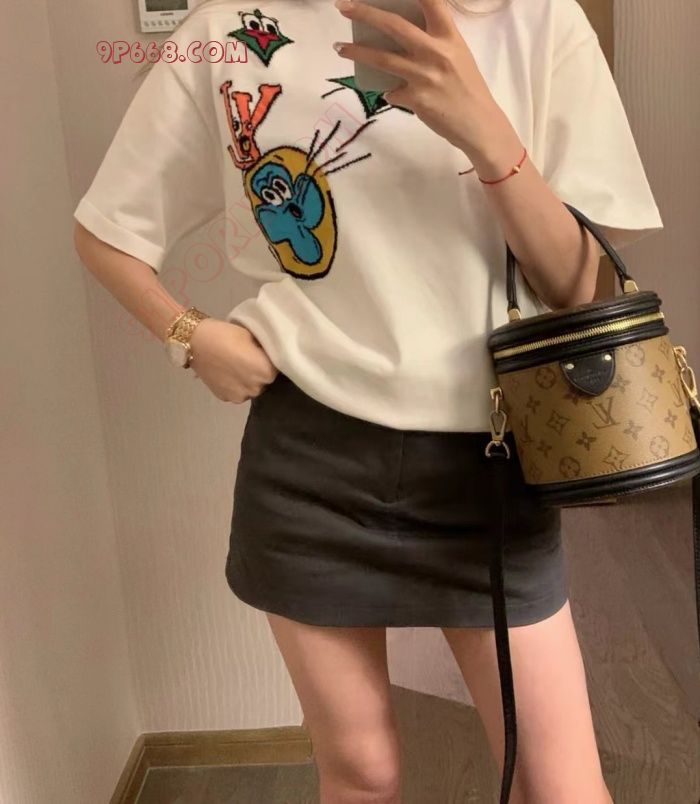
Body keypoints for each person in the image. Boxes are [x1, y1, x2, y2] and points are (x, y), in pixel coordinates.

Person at [73, 0, 663, 800]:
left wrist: (487, 134)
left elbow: (577, 287)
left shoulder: (538, 20)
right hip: (308, 461)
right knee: (360, 772)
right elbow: (107, 229)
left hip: (489, 461)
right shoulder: (229, 31)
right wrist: (189, 334)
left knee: (559, 787)